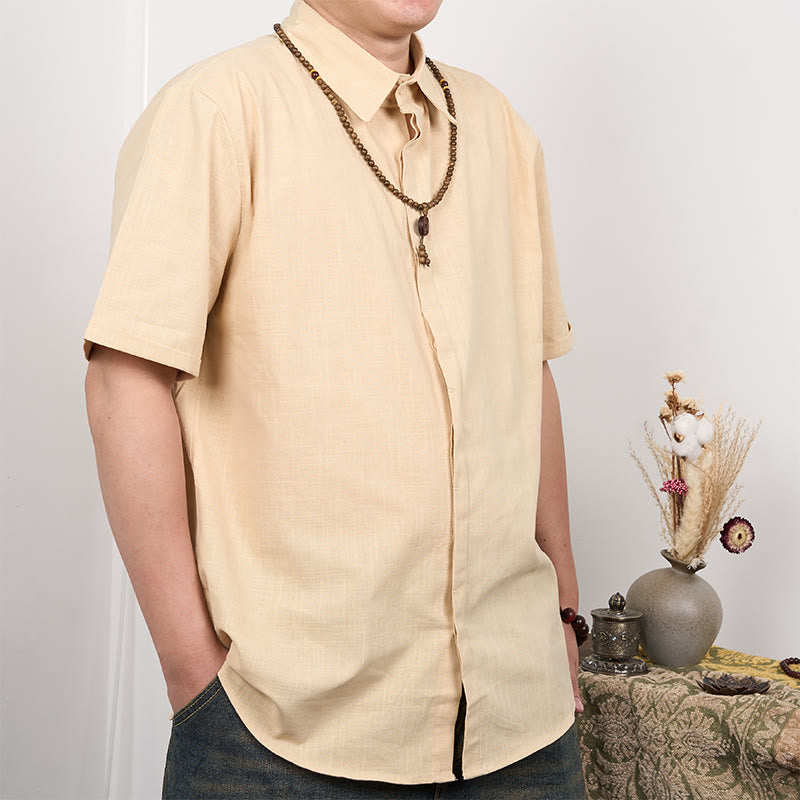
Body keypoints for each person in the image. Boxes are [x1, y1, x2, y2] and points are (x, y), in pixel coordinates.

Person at [84, 0, 588, 797]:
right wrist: (194, 677)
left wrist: (563, 611)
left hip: (522, 724)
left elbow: (529, 375)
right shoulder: (217, 108)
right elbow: (125, 381)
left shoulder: (497, 125)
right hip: (279, 731)